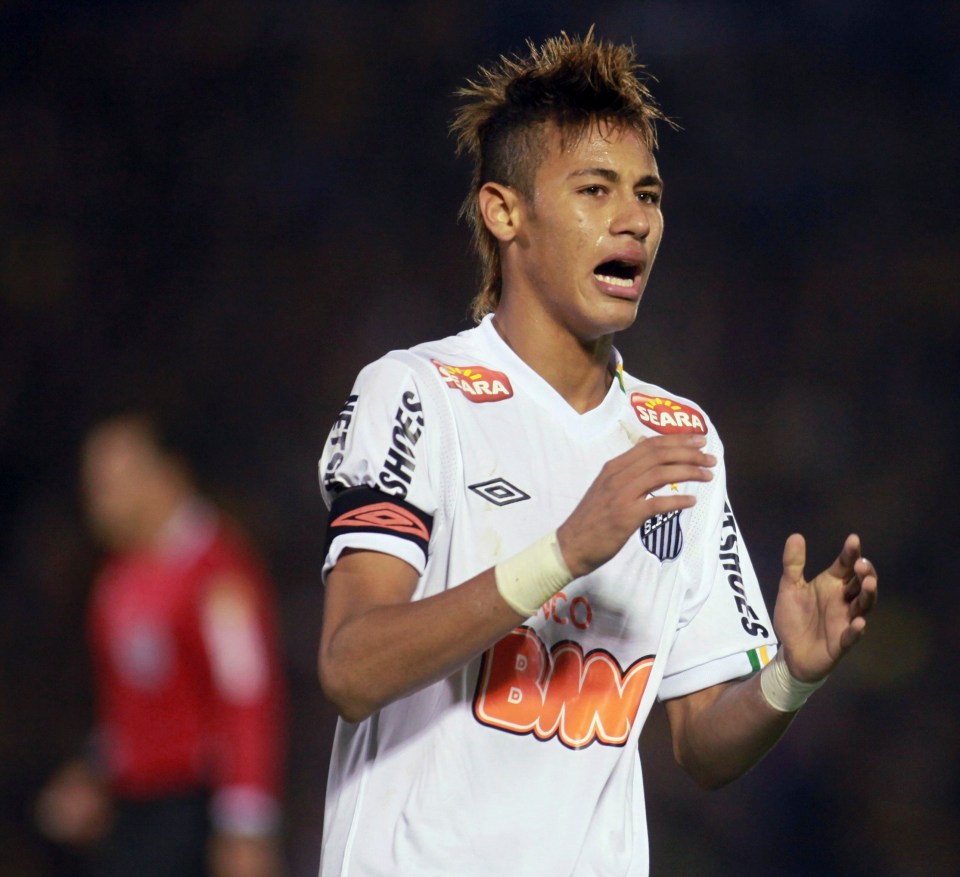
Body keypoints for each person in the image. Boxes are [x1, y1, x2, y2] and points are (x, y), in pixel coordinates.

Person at [315, 29, 878, 876]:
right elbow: (350, 665)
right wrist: (564, 551)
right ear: (506, 212)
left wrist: (791, 678)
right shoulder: (419, 393)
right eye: (595, 188)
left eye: (648, 193)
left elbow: (701, 744)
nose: (635, 219)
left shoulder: (680, 439)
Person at [36, 413, 288, 877]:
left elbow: (247, 697)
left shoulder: (218, 573)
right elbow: (130, 710)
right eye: (93, 484)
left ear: (164, 477)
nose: (98, 500)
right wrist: (95, 774)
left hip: (195, 809)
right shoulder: (117, 581)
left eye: (112, 482)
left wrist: (246, 827)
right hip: (136, 813)